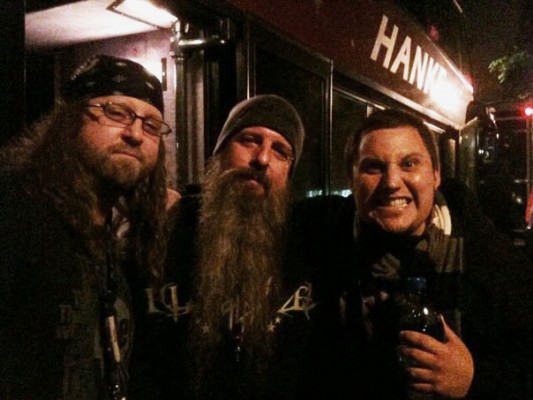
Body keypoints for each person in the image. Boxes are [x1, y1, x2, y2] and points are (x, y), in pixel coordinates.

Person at [130, 94, 348, 399]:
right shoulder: (164, 228)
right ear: (220, 152)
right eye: (249, 140)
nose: (262, 159)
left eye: (281, 151)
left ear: (289, 172)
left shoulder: (311, 236)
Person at [0, 54, 172, 399]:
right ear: (72, 119)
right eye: (116, 112)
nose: (135, 133)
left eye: (152, 125)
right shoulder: (16, 209)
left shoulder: (110, 242)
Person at [337, 108, 533, 399]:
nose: (391, 182)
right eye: (373, 167)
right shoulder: (327, 248)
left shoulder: (491, 259)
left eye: (409, 163)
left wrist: (474, 379)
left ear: (436, 175)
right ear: (351, 180)